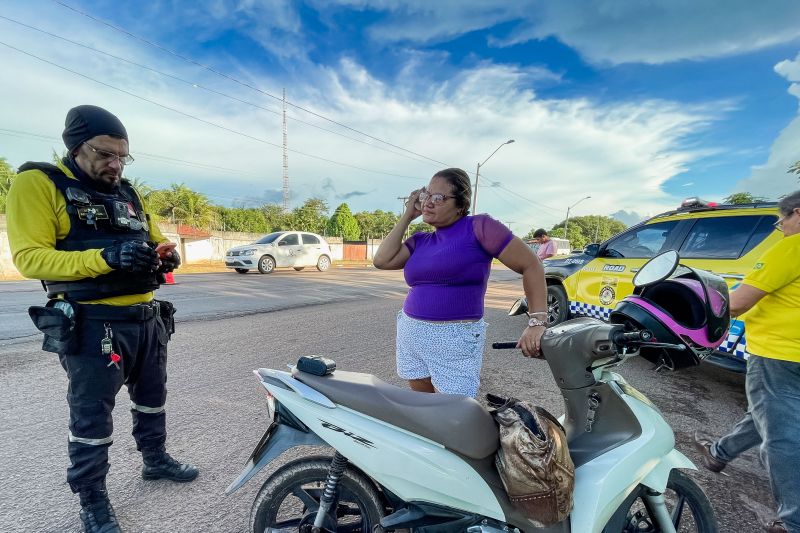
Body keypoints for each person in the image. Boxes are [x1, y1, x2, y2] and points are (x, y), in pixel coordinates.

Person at [6, 105, 198, 533]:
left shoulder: (127, 190)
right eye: (105, 154)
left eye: (122, 157)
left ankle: (155, 460)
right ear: (75, 148)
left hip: (147, 319)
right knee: (91, 415)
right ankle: (92, 499)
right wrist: (107, 258)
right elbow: (30, 258)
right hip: (93, 325)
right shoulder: (38, 183)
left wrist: (166, 251)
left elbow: (151, 237)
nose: (114, 165)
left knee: (153, 397)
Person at [373, 168, 547, 398]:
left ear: (461, 205)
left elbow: (531, 265)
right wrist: (407, 215)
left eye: (438, 197)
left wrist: (537, 322)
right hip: (411, 333)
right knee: (424, 406)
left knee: (454, 415)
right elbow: (381, 260)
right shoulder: (420, 240)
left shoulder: (479, 227)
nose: (428, 203)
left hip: (454, 339)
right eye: (426, 196)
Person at [692, 190, 800, 533]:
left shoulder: (792, 247)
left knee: (782, 433)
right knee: (766, 412)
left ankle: (792, 520)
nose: (780, 227)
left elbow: (736, 303)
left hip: (780, 353)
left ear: (797, 213)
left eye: (781, 220)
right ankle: (719, 453)